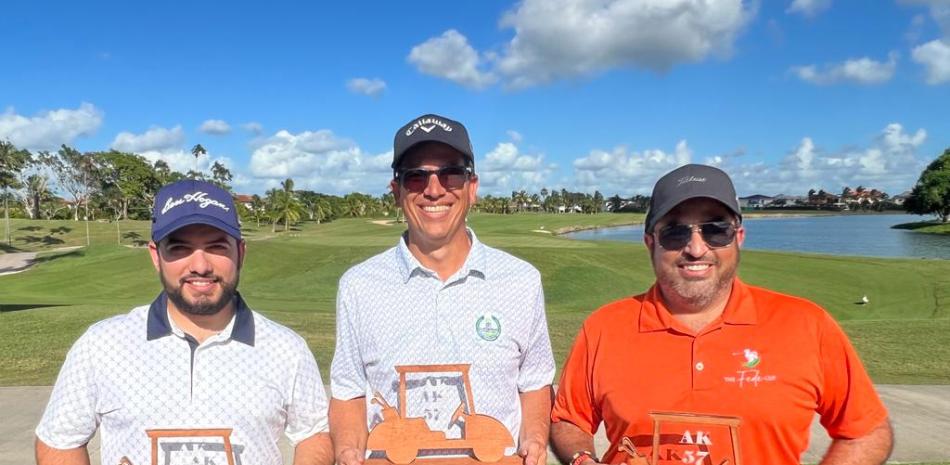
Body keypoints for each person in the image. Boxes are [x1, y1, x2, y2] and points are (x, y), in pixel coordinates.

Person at [550, 164, 893, 465]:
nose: (696, 248)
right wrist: (583, 460)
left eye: (715, 229)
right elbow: (568, 419)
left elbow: (868, 431)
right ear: (650, 243)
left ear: (738, 237)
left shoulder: (806, 323)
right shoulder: (604, 327)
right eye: (674, 231)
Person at [35, 180, 333, 465]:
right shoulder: (102, 345)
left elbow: (314, 435)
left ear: (240, 253)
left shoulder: (286, 349)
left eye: (217, 247)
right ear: (156, 256)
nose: (200, 266)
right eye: (179, 249)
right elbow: (59, 441)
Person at [329, 113, 555, 465]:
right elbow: (348, 391)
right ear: (397, 192)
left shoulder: (521, 280)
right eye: (416, 177)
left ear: (472, 187)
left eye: (451, 173)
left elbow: (535, 382)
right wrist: (347, 451)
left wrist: (536, 440)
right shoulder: (359, 286)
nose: (434, 189)